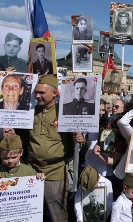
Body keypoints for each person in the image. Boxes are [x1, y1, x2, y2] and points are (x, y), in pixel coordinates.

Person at [16, 74, 86, 222]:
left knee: (57, 214)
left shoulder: (66, 112)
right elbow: (22, 139)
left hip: (55, 172)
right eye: (36, 92)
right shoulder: (30, 112)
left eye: (42, 93)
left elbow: (75, 143)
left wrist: (80, 139)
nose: (37, 96)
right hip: (31, 169)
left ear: (54, 93)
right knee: (30, 213)